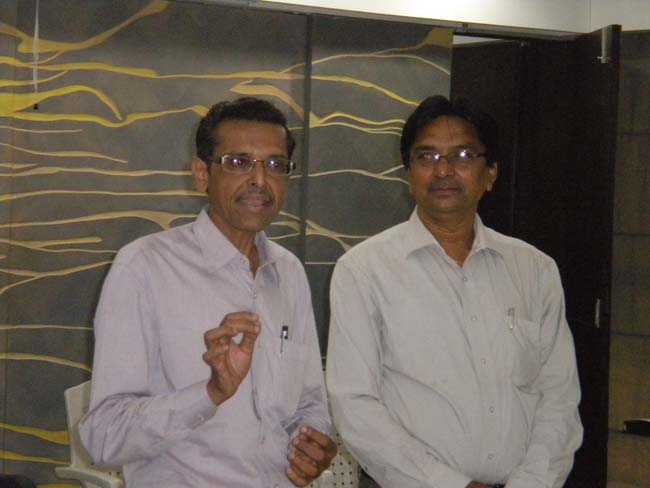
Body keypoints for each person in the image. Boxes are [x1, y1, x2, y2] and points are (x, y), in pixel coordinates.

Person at [326, 95, 583, 488]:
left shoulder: (535, 270)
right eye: (426, 156)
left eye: (463, 155)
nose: (443, 170)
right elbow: (355, 405)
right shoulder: (364, 270)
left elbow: (559, 398)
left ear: (490, 174)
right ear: (408, 173)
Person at [79, 97, 336, 487]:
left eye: (275, 165)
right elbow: (104, 437)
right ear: (201, 174)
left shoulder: (289, 271)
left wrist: (312, 445)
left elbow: (310, 401)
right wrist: (211, 392)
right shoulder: (144, 267)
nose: (260, 180)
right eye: (238, 162)